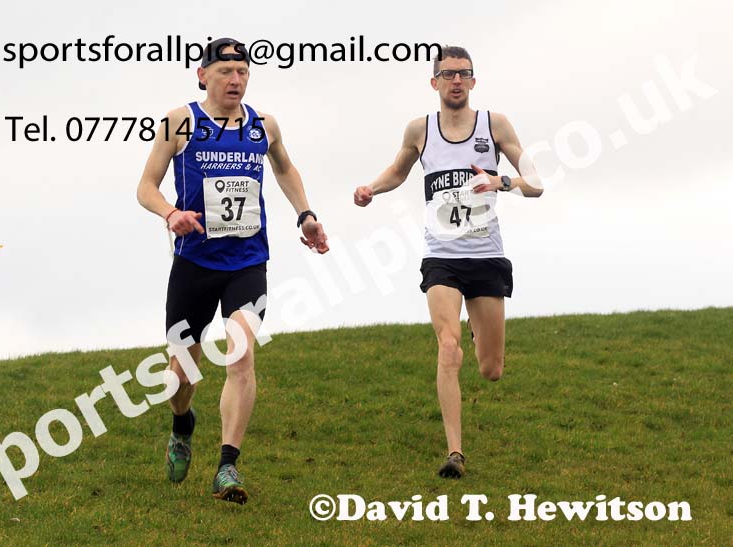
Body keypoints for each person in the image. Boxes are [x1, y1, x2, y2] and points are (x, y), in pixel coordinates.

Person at [137, 37, 329, 504]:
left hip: (247, 261)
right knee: (182, 373)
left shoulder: (264, 125)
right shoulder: (181, 121)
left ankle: (227, 466)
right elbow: (145, 186)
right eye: (226, 72)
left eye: (243, 72)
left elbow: (284, 169)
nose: (236, 80)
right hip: (194, 262)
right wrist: (169, 213)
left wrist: (305, 215)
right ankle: (182, 423)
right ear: (203, 75)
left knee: (240, 355)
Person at [353, 45, 543, 478]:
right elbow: (399, 171)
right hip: (441, 256)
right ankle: (455, 452)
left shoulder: (495, 125)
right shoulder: (420, 130)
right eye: (448, 74)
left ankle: (479, 332)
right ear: (434, 82)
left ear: (474, 81)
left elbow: (537, 183)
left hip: (486, 255)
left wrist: (503, 180)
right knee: (447, 346)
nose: (456, 81)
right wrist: (370, 189)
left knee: (491, 370)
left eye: (463, 74)